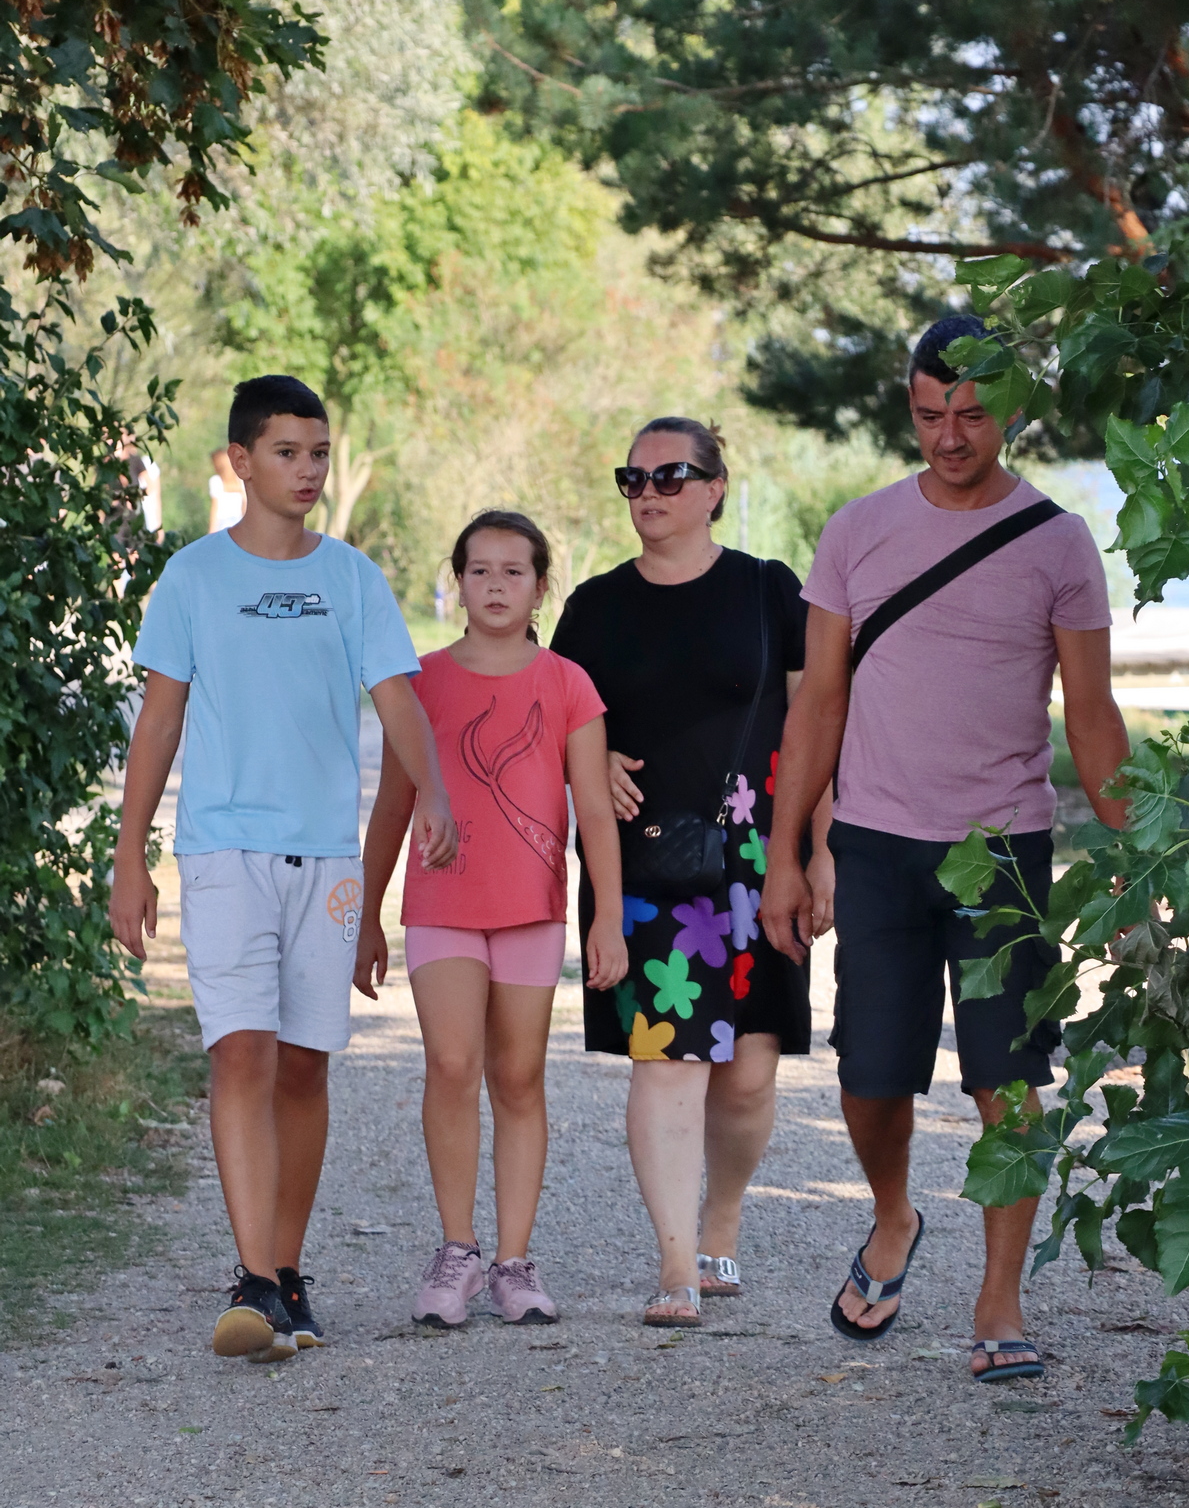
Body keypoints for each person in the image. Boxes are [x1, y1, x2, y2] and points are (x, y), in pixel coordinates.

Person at [761, 315, 1130, 1381]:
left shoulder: (1059, 542)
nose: (950, 436)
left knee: (1005, 1082)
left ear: (1008, 409)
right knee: (870, 1077)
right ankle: (894, 1215)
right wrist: (786, 854)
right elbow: (817, 704)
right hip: (876, 844)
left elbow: (1092, 714)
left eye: (971, 415)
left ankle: (1000, 1297)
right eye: (931, 416)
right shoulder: (858, 531)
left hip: (1004, 850)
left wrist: (1132, 858)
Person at [109, 374, 457, 1364]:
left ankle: (288, 1274)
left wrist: (433, 795)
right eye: (287, 453)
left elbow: (398, 702)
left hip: (328, 859)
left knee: (305, 1064)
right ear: (240, 462)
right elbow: (159, 722)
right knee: (241, 1054)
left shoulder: (353, 578)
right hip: (224, 851)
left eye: (319, 454)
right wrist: (130, 856)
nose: (308, 471)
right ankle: (254, 1279)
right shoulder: (192, 578)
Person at [551, 417, 834, 1327]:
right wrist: (589, 761)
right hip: (644, 867)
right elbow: (549, 721)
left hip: (760, 860)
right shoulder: (594, 607)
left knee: (747, 1074)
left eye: (669, 476)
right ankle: (676, 1262)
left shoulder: (768, 589)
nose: (648, 493)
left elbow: (814, 724)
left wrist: (821, 848)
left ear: (714, 488)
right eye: (632, 478)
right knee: (668, 1061)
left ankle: (723, 1216)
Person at [355, 511, 627, 1328]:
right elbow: (392, 805)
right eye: (480, 570)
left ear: (541, 587)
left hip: (530, 909)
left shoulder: (569, 683)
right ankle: (458, 1250)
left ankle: (513, 1260)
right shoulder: (422, 682)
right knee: (450, 1062)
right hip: (444, 903)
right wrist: (366, 914)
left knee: (518, 1075)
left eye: (514, 571)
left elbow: (596, 812)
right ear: (458, 582)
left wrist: (608, 917)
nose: (496, 585)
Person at [209, 446, 247, 532]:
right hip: (231, 521)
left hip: (231, 521)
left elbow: (215, 508)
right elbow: (215, 508)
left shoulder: (239, 481)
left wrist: (211, 531)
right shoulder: (217, 481)